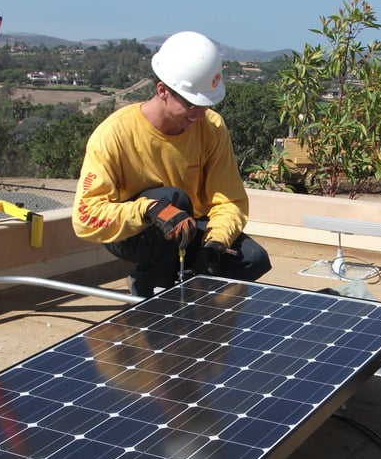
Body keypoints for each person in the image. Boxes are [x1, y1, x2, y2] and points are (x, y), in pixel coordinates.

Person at [73, 31, 271, 296]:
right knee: (173, 198)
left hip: (187, 226)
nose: (200, 114)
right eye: (192, 104)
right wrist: (148, 210)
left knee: (252, 259)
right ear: (163, 91)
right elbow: (85, 217)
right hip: (134, 232)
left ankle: (188, 300)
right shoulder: (114, 135)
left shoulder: (211, 128)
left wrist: (214, 245)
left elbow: (229, 201)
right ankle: (148, 292)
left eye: (206, 104)